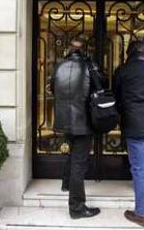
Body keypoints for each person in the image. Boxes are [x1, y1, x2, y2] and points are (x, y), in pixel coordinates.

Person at [113, 40, 144, 228]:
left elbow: (116, 97)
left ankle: (142, 213)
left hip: (133, 122)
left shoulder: (122, 70)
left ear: (128, 53)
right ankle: (143, 191)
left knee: (138, 167)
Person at [51, 39, 101, 219]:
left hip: (64, 119)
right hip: (82, 122)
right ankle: (77, 208)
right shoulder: (89, 66)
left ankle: (66, 184)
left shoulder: (58, 67)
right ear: (84, 51)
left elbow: (52, 89)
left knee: (71, 155)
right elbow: (99, 90)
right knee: (78, 164)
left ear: (69, 50)